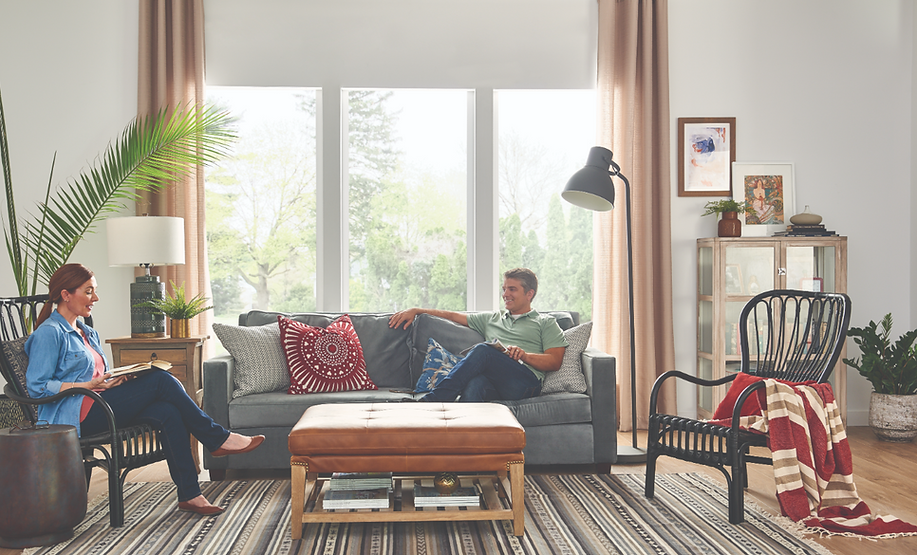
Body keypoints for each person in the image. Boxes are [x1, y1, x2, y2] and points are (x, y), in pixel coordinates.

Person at [25, 263, 264, 516]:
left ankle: (190, 495)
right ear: (66, 295)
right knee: (161, 380)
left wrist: (116, 379)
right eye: (88, 291)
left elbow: (97, 375)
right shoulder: (49, 333)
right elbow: (37, 387)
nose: (95, 298)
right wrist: (87, 386)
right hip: (75, 417)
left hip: (100, 404)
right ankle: (217, 438)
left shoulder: (87, 332)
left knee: (168, 411)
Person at [388, 268, 567, 402]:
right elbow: (452, 316)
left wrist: (524, 356)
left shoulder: (545, 322)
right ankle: (461, 437)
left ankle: (434, 400)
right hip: (495, 383)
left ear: (529, 294)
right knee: (475, 384)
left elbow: (555, 361)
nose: (505, 294)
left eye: (512, 289)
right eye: (504, 289)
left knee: (484, 350)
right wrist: (417, 310)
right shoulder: (491, 319)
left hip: (525, 383)